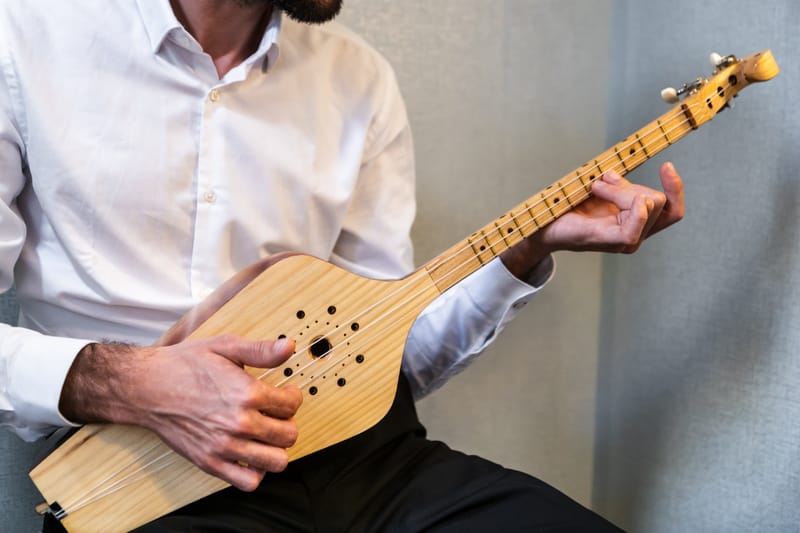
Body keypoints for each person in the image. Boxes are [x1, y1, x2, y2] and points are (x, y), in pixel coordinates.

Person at [0, 0, 684, 531]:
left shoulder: (358, 80)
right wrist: (132, 382)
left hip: (369, 464)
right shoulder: (25, 39)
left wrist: (526, 249)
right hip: (142, 482)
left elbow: (396, 356)